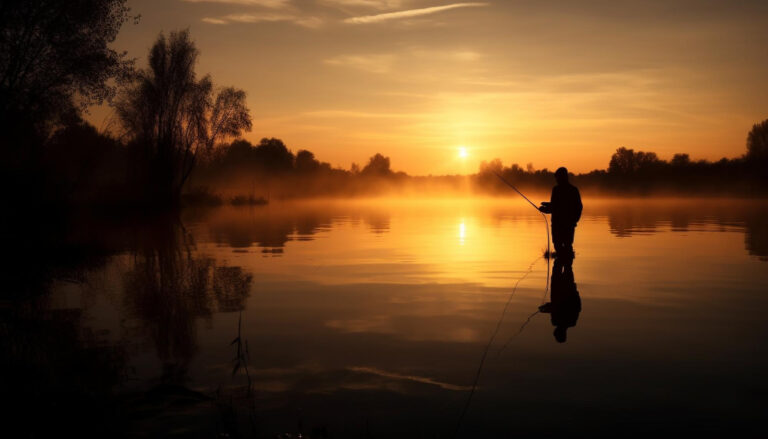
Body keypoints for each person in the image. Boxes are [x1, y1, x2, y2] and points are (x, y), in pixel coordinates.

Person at [538, 167, 582, 257]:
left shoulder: (566, 190)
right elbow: (555, 206)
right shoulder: (567, 189)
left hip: (564, 224)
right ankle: (564, 264)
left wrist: (574, 221)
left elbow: (576, 207)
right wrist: (546, 207)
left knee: (565, 246)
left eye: (558, 177)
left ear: (563, 177)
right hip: (561, 224)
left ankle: (564, 265)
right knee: (561, 246)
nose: (556, 180)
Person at [538, 254, 581, 343]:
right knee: (563, 267)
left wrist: (547, 307)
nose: (554, 331)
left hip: (565, 289)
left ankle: (563, 254)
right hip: (564, 289)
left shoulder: (570, 322)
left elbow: (576, 306)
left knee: (564, 267)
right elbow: (561, 307)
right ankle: (564, 254)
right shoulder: (557, 321)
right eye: (556, 333)